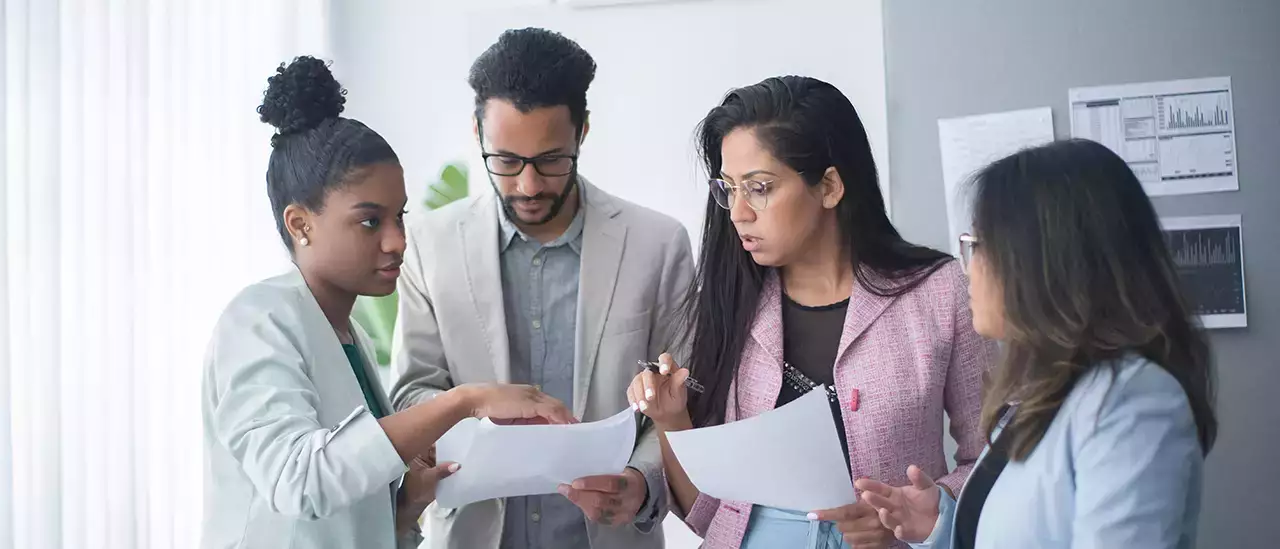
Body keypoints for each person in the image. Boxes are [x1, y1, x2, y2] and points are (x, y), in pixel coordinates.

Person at [201, 56, 575, 549]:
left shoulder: (346, 333)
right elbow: (300, 480)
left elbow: (344, 515)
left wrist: (404, 509)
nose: (398, 241)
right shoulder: (258, 321)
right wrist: (465, 401)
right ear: (300, 224)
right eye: (370, 221)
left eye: (399, 217)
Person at [627, 76, 997, 549]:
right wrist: (670, 420)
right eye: (729, 188)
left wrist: (922, 513)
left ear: (829, 186)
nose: (738, 212)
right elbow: (708, 517)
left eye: (759, 188)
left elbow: (994, 461)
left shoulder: (939, 292)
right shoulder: (729, 299)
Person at [389, 28, 695, 549]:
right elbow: (411, 391)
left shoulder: (657, 245)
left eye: (552, 160)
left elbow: (684, 398)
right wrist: (471, 408)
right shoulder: (428, 243)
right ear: (477, 133)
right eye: (506, 161)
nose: (528, 186)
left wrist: (643, 481)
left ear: (582, 133)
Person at [855, 139, 1218, 549]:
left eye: (977, 246)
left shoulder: (1133, 400)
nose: (967, 269)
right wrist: (940, 527)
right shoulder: (1045, 394)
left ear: (1044, 261)